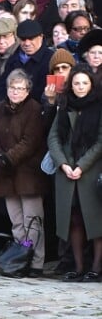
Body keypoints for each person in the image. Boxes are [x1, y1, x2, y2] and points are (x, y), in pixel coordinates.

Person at [0, 69, 49, 276]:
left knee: (33, 221)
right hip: (5, 173)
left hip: (27, 172)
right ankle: (19, 260)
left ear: (27, 91)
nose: (15, 92)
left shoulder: (33, 109)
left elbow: (30, 141)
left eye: (20, 88)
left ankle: (36, 262)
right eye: (12, 88)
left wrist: (9, 157)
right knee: (16, 221)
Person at [47, 65, 102, 282]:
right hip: (67, 171)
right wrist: (63, 164)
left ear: (92, 85)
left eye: (84, 83)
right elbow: (53, 138)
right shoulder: (64, 105)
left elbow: (100, 141)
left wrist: (81, 166)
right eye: (77, 83)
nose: (80, 87)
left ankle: (96, 268)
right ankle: (79, 267)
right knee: (74, 220)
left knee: (96, 221)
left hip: (90, 170)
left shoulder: (98, 106)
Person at [0, 19, 53, 103]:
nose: (27, 43)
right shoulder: (13, 59)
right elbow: (2, 88)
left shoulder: (51, 59)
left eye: (31, 39)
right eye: (23, 39)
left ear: (41, 37)